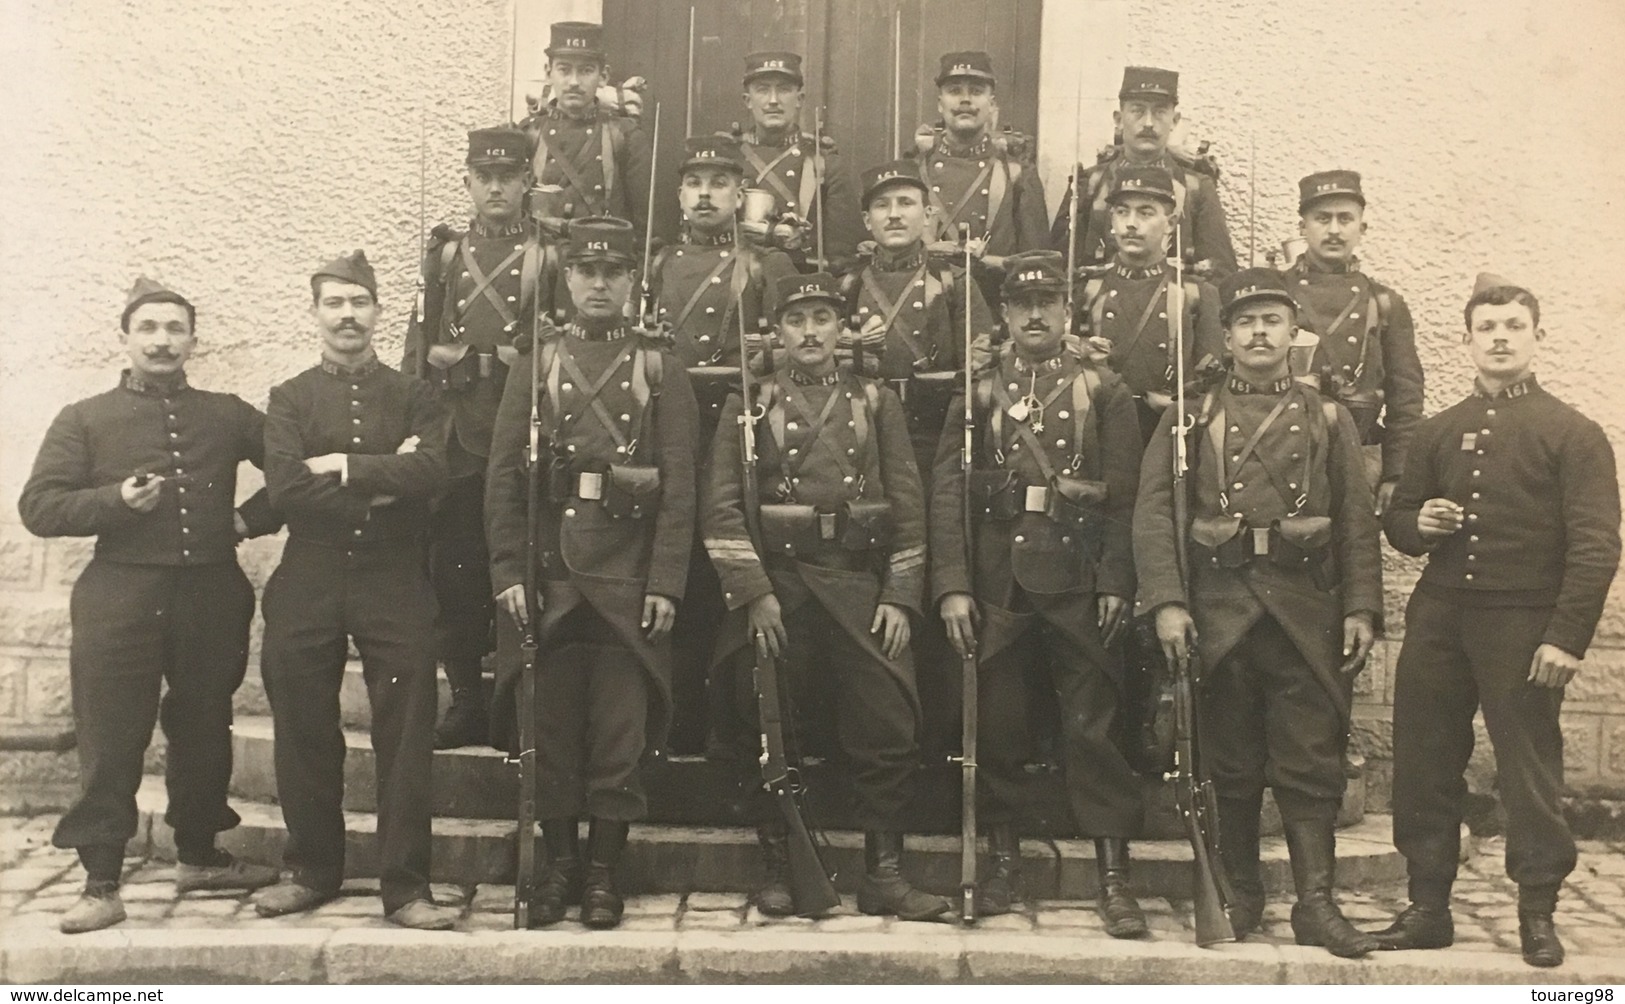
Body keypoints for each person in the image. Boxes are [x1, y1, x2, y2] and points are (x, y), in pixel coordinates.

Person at [18, 278, 283, 934]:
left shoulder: (226, 412)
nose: (162, 341)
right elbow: (39, 506)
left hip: (210, 594)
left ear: (193, 340)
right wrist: (113, 502)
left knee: (202, 724)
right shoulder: (85, 416)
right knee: (112, 736)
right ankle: (101, 880)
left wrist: (248, 522)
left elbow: (296, 466)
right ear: (126, 337)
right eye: (149, 328)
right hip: (119, 596)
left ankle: (198, 854)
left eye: (175, 328)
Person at [1371, 276, 1621, 968]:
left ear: (1537, 337)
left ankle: (1537, 912)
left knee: (1527, 768)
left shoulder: (1571, 433)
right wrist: (1415, 524)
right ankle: (1427, 908)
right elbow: (1396, 519)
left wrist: (1564, 637)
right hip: (1440, 618)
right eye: (1487, 327)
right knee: (1423, 762)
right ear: (1468, 340)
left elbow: (1596, 545)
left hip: (1523, 624)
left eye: (1514, 325)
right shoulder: (1438, 430)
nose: (1500, 338)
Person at [1133, 267, 1382, 957]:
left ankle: (1315, 905)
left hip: (1304, 614)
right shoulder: (1188, 416)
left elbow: (1356, 523)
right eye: (1245, 321)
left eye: (1272, 319)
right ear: (1226, 334)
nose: (1259, 332)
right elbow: (1154, 515)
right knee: (1231, 764)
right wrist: (1167, 603)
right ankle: (1239, 894)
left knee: (1309, 765)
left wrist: (1361, 606)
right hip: (1218, 614)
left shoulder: (1328, 417)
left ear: (1293, 333)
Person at [704, 271, 948, 922]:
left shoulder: (876, 402)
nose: (809, 332)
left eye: (821, 318)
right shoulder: (747, 408)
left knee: (887, 722)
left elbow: (907, 505)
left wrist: (899, 595)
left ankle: (884, 873)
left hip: (859, 589)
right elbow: (722, 510)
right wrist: (754, 594)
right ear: (775, 334)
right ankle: (781, 866)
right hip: (781, 591)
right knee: (770, 722)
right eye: (795, 320)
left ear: (842, 331)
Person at [485, 216, 699, 929]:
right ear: (567, 280)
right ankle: (558, 865)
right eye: (586, 273)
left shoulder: (660, 367)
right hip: (549, 583)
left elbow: (679, 485)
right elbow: (502, 481)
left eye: (613, 273)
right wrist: (508, 571)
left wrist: (665, 580)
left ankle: (604, 870)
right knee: (545, 733)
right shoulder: (535, 361)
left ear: (633, 283)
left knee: (618, 737)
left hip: (627, 581)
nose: (599, 284)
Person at [931, 251, 1146, 934]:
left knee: (1093, 726)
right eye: (1021, 304)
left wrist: (1115, 579)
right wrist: (953, 586)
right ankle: (1000, 864)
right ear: (1002, 314)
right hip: (997, 580)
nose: (1033, 314)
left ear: (1066, 312)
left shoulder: (1103, 390)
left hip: (1077, 577)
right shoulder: (976, 391)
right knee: (996, 723)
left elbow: (1126, 499)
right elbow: (945, 496)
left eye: (1047, 302)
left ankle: (1113, 877)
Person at [253, 251, 458, 930]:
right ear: (315, 315)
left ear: (376, 313)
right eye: (334, 304)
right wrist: (381, 484)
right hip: (308, 572)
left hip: (393, 576)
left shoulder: (418, 395)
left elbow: (432, 473)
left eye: (359, 303)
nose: (348, 316)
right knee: (304, 726)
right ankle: (311, 868)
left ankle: (405, 887)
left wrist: (342, 465)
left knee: (405, 731)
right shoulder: (288, 398)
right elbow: (284, 488)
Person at [402, 126, 563, 750]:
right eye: (484, 177)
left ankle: (518, 702)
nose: (497, 188)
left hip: (522, 425)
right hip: (460, 433)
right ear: (468, 183)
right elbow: (420, 348)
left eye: (509, 177)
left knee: (526, 562)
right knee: (457, 570)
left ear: (528, 183)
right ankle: (467, 698)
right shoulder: (444, 254)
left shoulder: (550, 254)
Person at [646, 133, 795, 752]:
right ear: (679, 195)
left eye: (720, 184)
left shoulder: (769, 266)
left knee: (736, 563)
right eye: (695, 184)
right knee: (679, 563)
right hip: (675, 427)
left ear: (741, 195)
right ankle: (676, 718)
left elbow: (794, 350)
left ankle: (733, 725)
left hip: (740, 428)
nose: (706, 195)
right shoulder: (656, 265)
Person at [1286, 170, 1424, 513]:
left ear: (1362, 229)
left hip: (1360, 461)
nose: (1334, 230)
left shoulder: (1385, 303)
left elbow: (1405, 398)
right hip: (1284, 454)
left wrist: (1395, 473)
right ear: (1303, 227)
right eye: (1322, 218)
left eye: (1345, 219)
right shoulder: (1274, 295)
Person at [1076, 165, 1223, 443]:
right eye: (1122, 212)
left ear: (1170, 223)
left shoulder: (1196, 293)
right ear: (1111, 221)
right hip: (1101, 432)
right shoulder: (1088, 289)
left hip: (1167, 432)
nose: (1131, 223)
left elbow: (1212, 384)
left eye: (1145, 212)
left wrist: (1177, 406)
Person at [1052, 66, 1237, 280]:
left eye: (1159, 112)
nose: (1148, 123)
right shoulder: (1091, 183)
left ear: (1175, 121)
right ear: (1119, 119)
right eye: (1137, 110)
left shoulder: (1196, 188)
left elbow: (1221, 273)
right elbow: (1060, 269)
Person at [913, 51, 1049, 305]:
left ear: (992, 104)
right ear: (940, 104)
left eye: (976, 91)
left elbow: (1035, 263)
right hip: (930, 308)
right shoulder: (916, 171)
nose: (966, 100)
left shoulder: (1017, 174)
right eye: (955, 91)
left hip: (994, 306)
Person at [520, 21, 652, 243]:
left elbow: (645, 225)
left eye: (586, 70)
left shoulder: (626, 137)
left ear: (603, 76)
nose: (574, 81)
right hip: (540, 263)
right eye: (564, 69)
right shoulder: (528, 133)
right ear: (548, 72)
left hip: (601, 264)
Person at [732, 50, 862, 273]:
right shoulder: (730, 159)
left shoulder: (824, 163)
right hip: (736, 283)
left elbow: (843, 256)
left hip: (799, 287)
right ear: (748, 100)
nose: (773, 101)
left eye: (784, 90)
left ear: (799, 99)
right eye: (762, 90)